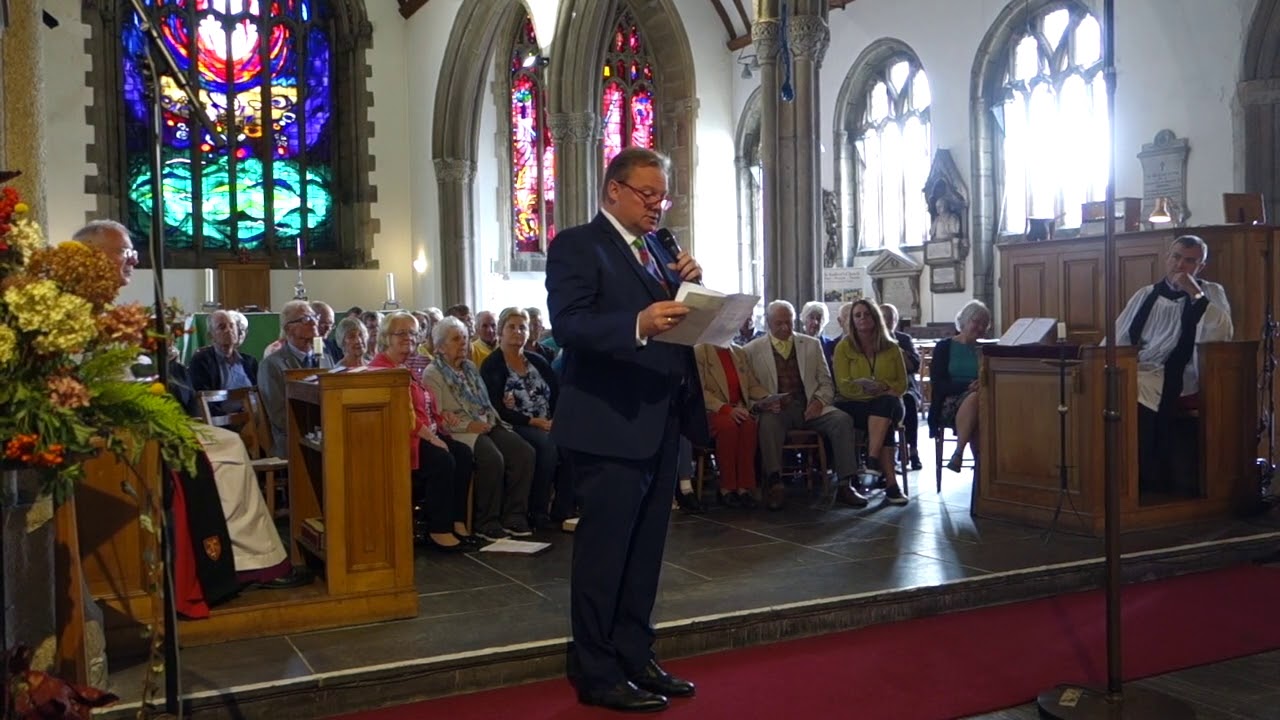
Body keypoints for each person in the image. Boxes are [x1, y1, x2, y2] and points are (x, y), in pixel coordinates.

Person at [547, 147, 707, 713]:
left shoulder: (660, 250)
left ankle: (636, 655)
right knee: (604, 553)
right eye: (647, 194)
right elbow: (569, 325)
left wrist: (693, 290)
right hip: (607, 423)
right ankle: (597, 671)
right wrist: (637, 322)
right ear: (613, 189)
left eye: (663, 196)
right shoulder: (577, 245)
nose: (657, 206)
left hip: (659, 417)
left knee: (644, 551)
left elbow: (675, 321)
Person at [78, 221, 308, 590]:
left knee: (228, 443)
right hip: (115, 432)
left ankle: (251, 558)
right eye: (124, 251)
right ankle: (251, 560)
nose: (134, 260)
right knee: (229, 447)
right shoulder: (76, 311)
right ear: (91, 254)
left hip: (140, 418)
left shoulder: (98, 307)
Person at [1115, 235, 1233, 492]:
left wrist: (1196, 294)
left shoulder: (1211, 292)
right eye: (1176, 257)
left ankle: (1145, 474)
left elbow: (1222, 332)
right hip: (1143, 365)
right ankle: (1115, 469)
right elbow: (1119, 335)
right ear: (1167, 258)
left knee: (1135, 385)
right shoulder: (1146, 295)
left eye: (1190, 261)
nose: (1180, 265)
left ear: (1201, 266)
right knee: (1114, 379)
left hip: (1183, 372)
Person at [369, 312, 477, 552]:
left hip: (421, 434)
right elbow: (400, 415)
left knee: (462, 453)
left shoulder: (405, 367)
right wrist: (431, 437)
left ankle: (456, 521)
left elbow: (423, 405)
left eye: (412, 332)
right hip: (401, 440)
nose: (408, 337)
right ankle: (439, 529)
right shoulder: (381, 369)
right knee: (442, 459)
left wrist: (440, 421)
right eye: (401, 333)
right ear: (387, 337)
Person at [744, 300, 868, 510]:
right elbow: (748, 387)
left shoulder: (811, 344)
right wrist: (763, 404)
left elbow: (826, 382)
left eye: (788, 323)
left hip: (810, 404)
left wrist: (819, 401)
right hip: (778, 409)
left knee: (842, 420)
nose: (785, 328)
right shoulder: (751, 350)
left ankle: (846, 484)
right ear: (768, 323)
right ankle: (775, 483)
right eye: (779, 323)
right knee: (767, 423)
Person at [424, 316, 535, 541]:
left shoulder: (470, 368)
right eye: (456, 339)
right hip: (459, 430)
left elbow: (484, 402)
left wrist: (497, 410)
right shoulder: (432, 373)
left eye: (465, 338)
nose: (463, 343)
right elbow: (440, 416)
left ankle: (514, 515)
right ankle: (487, 521)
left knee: (524, 452)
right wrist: (470, 424)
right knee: (491, 458)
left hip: (485, 421)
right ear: (441, 346)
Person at [480, 307, 573, 529]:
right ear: (501, 331)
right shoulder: (493, 364)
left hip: (546, 422)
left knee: (571, 442)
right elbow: (496, 407)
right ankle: (536, 511)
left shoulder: (537, 361)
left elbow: (556, 394)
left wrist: (556, 419)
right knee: (546, 446)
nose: (518, 332)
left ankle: (562, 510)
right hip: (513, 424)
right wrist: (534, 422)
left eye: (522, 327)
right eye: (511, 327)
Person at [832, 300, 909, 505]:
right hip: (853, 404)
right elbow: (843, 386)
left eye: (866, 314)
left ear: (875, 318)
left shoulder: (891, 347)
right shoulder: (844, 347)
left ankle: (872, 459)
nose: (862, 318)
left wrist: (881, 387)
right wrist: (877, 391)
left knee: (886, 407)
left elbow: (902, 384)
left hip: (886, 403)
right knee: (885, 417)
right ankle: (891, 486)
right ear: (851, 320)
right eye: (857, 315)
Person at [694, 342, 767, 508]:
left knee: (749, 425)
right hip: (711, 411)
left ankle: (744, 487)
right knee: (728, 426)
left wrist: (767, 398)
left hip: (737, 409)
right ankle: (726, 488)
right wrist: (726, 409)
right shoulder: (700, 352)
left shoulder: (739, 352)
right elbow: (699, 390)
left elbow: (752, 386)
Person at [259, 300, 334, 456]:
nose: (314, 322)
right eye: (305, 319)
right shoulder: (272, 365)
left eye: (314, 317)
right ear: (288, 329)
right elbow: (279, 416)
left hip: (327, 432)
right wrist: (317, 430)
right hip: (292, 438)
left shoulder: (326, 359)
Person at [929, 300, 991, 473]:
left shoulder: (985, 350)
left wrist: (982, 383)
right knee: (976, 402)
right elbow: (939, 385)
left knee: (979, 406)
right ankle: (981, 469)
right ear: (964, 320)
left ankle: (961, 455)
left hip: (981, 400)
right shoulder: (944, 347)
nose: (979, 328)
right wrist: (968, 386)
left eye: (984, 325)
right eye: (976, 322)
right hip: (949, 402)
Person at [881, 303, 923, 469]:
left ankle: (912, 449)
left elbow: (914, 366)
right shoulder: (874, 340)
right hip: (884, 387)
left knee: (908, 400)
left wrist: (898, 349)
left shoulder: (904, 339)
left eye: (892, 318)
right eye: (884, 318)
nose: (888, 321)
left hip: (906, 386)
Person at [188, 309, 259, 398]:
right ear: (211, 335)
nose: (228, 330)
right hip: (221, 411)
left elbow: (259, 393)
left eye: (232, 326)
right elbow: (202, 399)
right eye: (222, 327)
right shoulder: (202, 361)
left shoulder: (250, 362)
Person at [311, 301, 342, 366]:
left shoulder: (333, 349)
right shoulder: (301, 349)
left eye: (331, 324)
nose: (328, 328)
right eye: (323, 323)